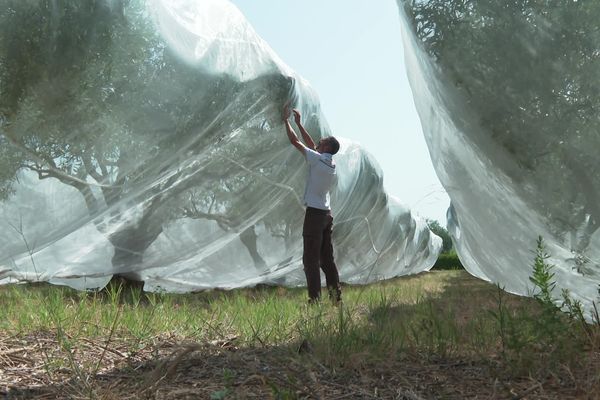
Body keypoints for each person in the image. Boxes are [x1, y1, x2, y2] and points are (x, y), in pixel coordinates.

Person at [283, 106, 342, 304]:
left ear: (325, 148)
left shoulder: (318, 160)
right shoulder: (329, 164)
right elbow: (312, 148)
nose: (319, 141)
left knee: (310, 260)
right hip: (327, 215)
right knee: (327, 260)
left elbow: (295, 142)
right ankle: (335, 297)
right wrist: (299, 123)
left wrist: (286, 121)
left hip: (316, 216)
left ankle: (314, 300)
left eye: (322, 141)